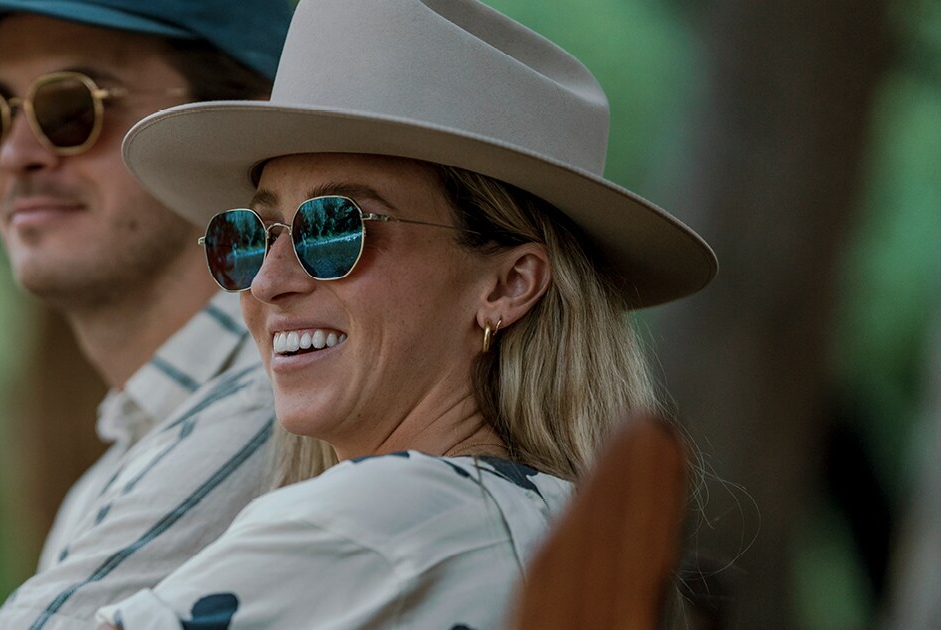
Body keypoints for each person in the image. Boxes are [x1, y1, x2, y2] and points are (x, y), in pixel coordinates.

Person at [97, 0, 719, 626]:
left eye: (334, 227)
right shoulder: (557, 532)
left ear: (509, 285)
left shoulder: (376, 520)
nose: (267, 281)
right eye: (250, 234)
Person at [0, 1, 295, 627]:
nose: (14, 153)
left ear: (238, 128)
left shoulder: (278, 400)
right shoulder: (102, 485)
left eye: (71, 108)